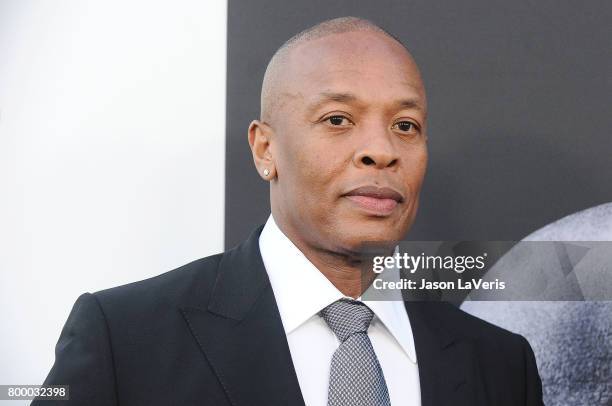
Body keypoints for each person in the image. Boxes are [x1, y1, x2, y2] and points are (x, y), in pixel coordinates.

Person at [34, 17, 543, 405]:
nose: (382, 150)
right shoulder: (124, 339)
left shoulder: (501, 365)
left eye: (405, 125)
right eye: (338, 119)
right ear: (264, 149)